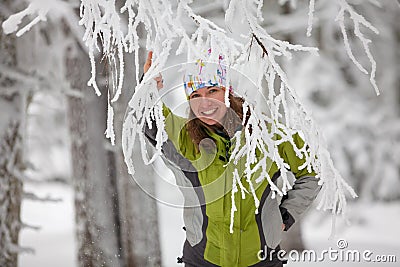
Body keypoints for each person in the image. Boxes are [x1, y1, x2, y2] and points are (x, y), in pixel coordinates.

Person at [142, 51, 321, 267]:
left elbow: (312, 173)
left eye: (212, 90)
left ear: (228, 92)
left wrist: (286, 215)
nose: (204, 102)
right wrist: (149, 88)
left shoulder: (269, 136)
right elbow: (153, 122)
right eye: (195, 95)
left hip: (262, 260)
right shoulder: (185, 138)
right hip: (204, 259)